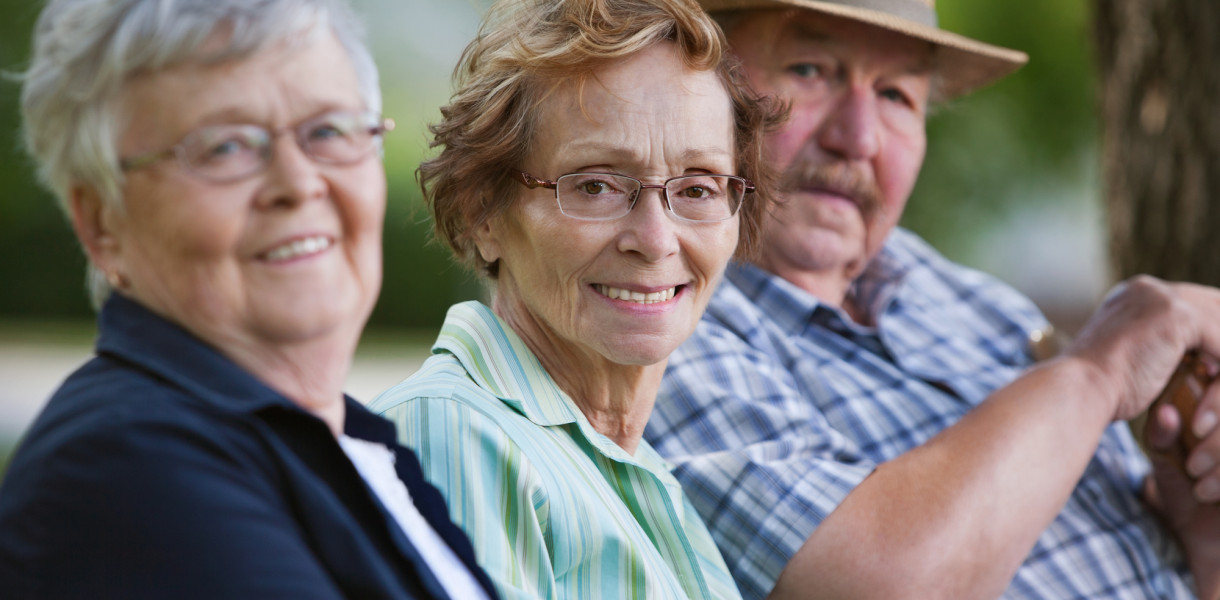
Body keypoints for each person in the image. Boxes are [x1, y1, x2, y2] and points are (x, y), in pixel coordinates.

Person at [645, 0, 1220, 598]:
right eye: (810, 69)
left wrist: (1198, 541)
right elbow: (870, 588)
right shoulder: (661, 315)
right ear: (699, 86)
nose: (858, 138)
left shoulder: (963, 296)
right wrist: (1100, 371)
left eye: (896, 95)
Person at [0, 1, 498, 598]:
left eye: (328, 130)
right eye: (225, 147)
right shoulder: (125, 466)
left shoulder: (351, 442)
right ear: (102, 222)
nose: (298, 183)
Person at [368, 0, 783, 597]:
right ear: (482, 211)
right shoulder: (453, 435)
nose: (656, 240)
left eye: (697, 187)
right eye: (595, 185)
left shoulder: (633, 467)